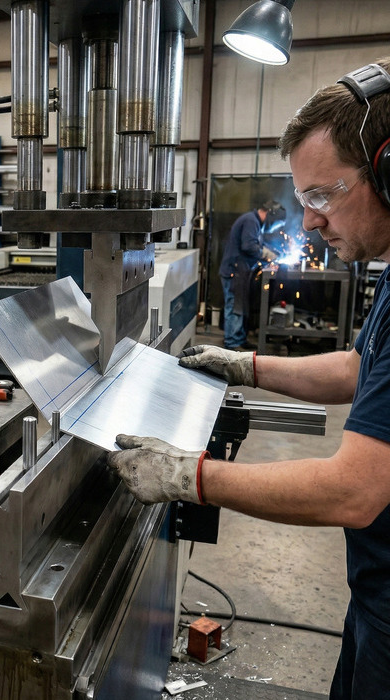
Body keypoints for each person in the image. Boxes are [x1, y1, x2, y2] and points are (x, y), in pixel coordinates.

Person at [107, 57, 390, 700]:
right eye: (303, 200)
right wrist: (246, 365)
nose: (312, 220)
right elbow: (357, 367)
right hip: (374, 589)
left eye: (323, 195)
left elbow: (354, 490)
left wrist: (188, 476)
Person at [219, 202, 278, 350]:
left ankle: (239, 338)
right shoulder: (251, 220)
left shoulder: (255, 222)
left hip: (241, 272)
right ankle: (232, 343)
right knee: (234, 307)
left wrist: (271, 252)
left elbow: (257, 244)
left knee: (241, 307)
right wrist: (266, 254)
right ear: (269, 214)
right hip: (234, 271)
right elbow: (249, 246)